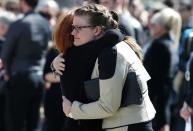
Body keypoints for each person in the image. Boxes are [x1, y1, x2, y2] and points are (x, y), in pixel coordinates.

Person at [52, 4, 155, 131]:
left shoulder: (110, 53)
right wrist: (56, 62)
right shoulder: (111, 45)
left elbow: (108, 107)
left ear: (96, 30)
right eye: (73, 27)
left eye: (78, 28)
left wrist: (72, 109)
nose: (73, 32)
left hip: (128, 127)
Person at [0, 0, 50, 130]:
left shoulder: (19, 24)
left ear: (23, 3)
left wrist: (8, 74)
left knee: (15, 123)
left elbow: (5, 54)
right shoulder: (45, 23)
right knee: (33, 123)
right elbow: (45, 49)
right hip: (39, 77)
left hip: (20, 77)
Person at [143, 8, 181, 131]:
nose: (150, 26)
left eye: (154, 24)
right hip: (161, 107)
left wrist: (163, 119)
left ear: (163, 27)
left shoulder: (160, 46)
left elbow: (159, 84)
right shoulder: (169, 44)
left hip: (153, 107)